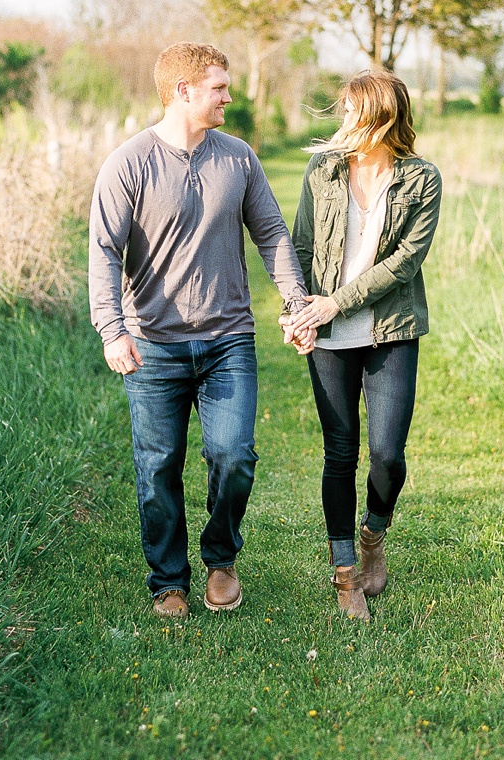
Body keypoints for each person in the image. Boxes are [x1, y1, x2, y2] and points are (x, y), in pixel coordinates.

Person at [88, 42, 313, 620]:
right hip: (153, 344)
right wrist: (113, 330)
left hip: (228, 338)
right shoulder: (128, 163)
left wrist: (295, 302)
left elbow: (271, 234)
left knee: (234, 454)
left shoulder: (238, 158)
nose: (229, 97)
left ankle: (221, 559)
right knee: (158, 463)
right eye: (219, 88)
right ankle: (168, 581)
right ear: (184, 91)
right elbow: (105, 252)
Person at [283, 69, 441, 620]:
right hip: (328, 333)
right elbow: (300, 244)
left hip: (389, 327)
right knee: (340, 450)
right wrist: (297, 311)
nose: (343, 120)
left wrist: (335, 302)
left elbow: (405, 262)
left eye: (352, 111)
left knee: (388, 456)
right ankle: (346, 573)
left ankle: (374, 532)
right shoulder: (322, 169)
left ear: (380, 118)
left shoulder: (421, 180)